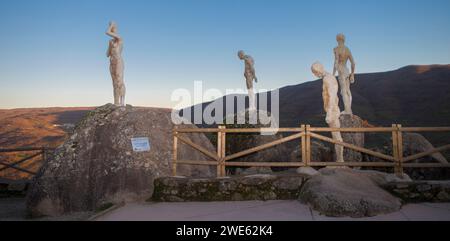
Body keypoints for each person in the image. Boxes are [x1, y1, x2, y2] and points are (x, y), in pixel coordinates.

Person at [312, 62, 344, 163]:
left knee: (337, 137)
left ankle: (340, 161)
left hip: (333, 110)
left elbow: (332, 96)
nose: (314, 75)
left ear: (317, 70)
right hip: (333, 109)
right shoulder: (329, 77)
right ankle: (340, 160)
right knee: (336, 136)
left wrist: (329, 113)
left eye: (314, 72)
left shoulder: (327, 79)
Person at [333, 33, 356, 115]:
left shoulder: (336, 49)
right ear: (344, 39)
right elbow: (353, 63)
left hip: (341, 71)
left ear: (337, 39)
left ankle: (347, 110)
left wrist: (333, 74)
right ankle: (349, 109)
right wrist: (352, 74)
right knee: (348, 91)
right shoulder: (347, 49)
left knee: (343, 91)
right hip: (347, 71)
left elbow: (336, 62)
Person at [106, 21, 126, 106]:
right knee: (114, 83)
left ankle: (122, 101)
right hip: (112, 62)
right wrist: (110, 46)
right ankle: (116, 102)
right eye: (112, 28)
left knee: (119, 81)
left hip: (118, 61)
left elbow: (107, 32)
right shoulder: (111, 41)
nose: (113, 29)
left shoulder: (120, 39)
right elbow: (107, 54)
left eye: (114, 28)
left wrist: (111, 25)